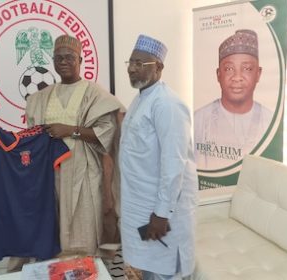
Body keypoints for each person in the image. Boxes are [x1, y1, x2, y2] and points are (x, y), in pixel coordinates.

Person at [26, 34, 123, 257]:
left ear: (80, 60)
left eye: (69, 57)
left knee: (85, 232)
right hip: (51, 176)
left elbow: (107, 134)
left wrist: (71, 130)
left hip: (85, 175)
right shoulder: (41, 97)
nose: (63, 62)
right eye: (58, 58)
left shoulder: (95, 93)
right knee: (54, 232)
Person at [119, 34, 198, 280]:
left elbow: (174, 164)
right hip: (140, 206)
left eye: (140, 63)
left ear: (159, 68)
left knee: (165, 271)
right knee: (148, 269)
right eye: (130, 63)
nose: (132, 69)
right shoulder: (141, 99)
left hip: (160, 211)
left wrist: (162, 213)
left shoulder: (167, 104)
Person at [194, 29, 273, 170]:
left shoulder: (270, 120)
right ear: (218, 74)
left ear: (258, 74)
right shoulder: (199, 118)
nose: (237, 77)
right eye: (229, 69)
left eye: (247, 69)